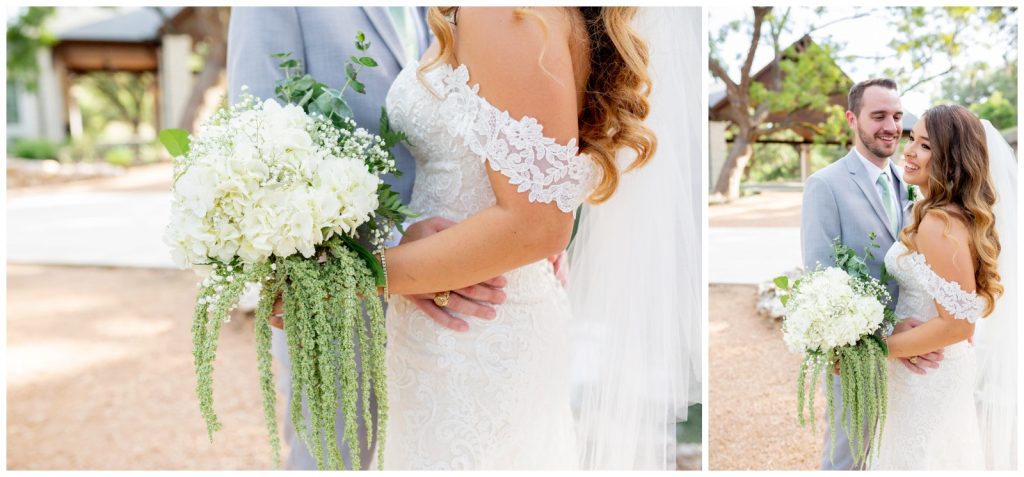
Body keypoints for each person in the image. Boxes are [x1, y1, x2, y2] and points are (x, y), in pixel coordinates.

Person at [374, 7, 700, 469]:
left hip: (472, 338)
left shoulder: (507, 12)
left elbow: (538, 226)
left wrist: (366, 273)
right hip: (469, 321)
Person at [226, 7, 511, 469]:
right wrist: (397, 250)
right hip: (338, 301)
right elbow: (260, 153)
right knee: (337, 459)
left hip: (460, 294)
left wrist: (526, 222)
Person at [868, 104, 1013, 470]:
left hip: (926, 375)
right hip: (929, 366)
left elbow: (958, 324)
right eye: (913, 139)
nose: (910, 151)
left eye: (926, 145)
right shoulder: (946, 214)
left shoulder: (939, 223)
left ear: (952, 158)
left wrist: (878, 350)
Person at [801, 78, 923, 470]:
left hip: (914, 346)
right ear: (852, 119)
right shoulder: (826, 185)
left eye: (897, 117)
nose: (891, 126)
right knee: (848, 452)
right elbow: (822, 278)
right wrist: (883, 334)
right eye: (879, 116)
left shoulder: (912, 184)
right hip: (856, 350)